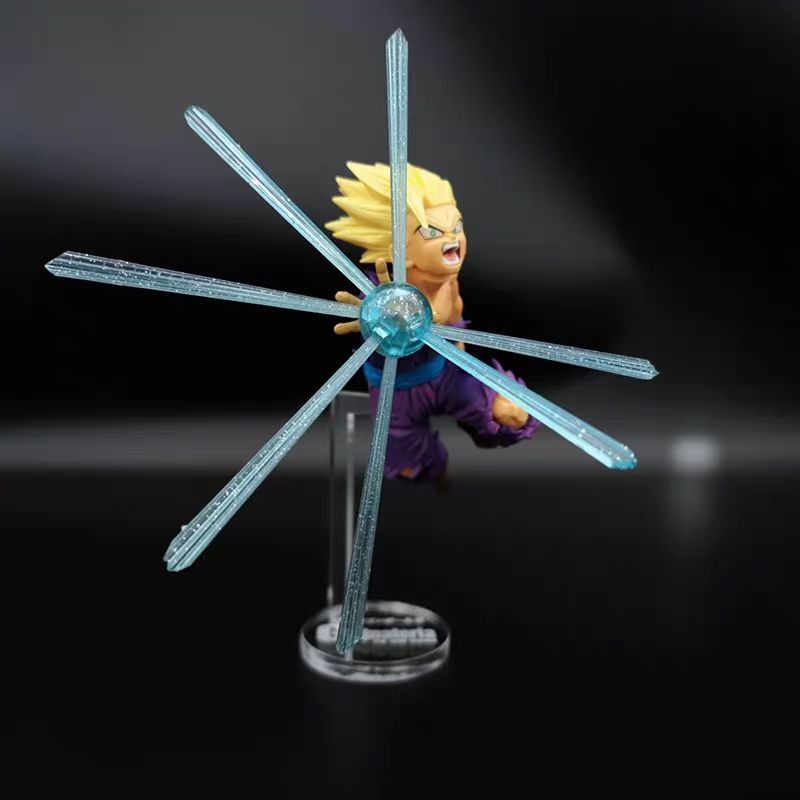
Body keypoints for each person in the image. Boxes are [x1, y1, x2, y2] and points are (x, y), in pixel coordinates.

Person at [325, 162, 539, 486]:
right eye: (432, 232)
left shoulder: (449, 283)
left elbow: (457, 329)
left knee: (511, 413)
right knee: (412, 466)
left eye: (457, 226)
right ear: (399, 250)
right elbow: (379, 326)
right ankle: (437, 478)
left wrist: (473, 377)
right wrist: (377, 315)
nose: (452, 238)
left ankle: (477, 429)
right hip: (398, 393)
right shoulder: (387, 294)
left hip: (446, 374)